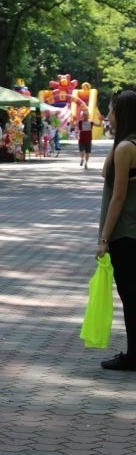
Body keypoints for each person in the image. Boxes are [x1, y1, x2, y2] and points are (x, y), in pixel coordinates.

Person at [97, 90, 136, 371]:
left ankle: (134, 356)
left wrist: (103, 239)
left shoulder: (125, 148)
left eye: (111, 111)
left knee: (131, 297)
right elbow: (103, 171)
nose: (107, 116)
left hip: (125, 233)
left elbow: (118, 196)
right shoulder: (125, 144)